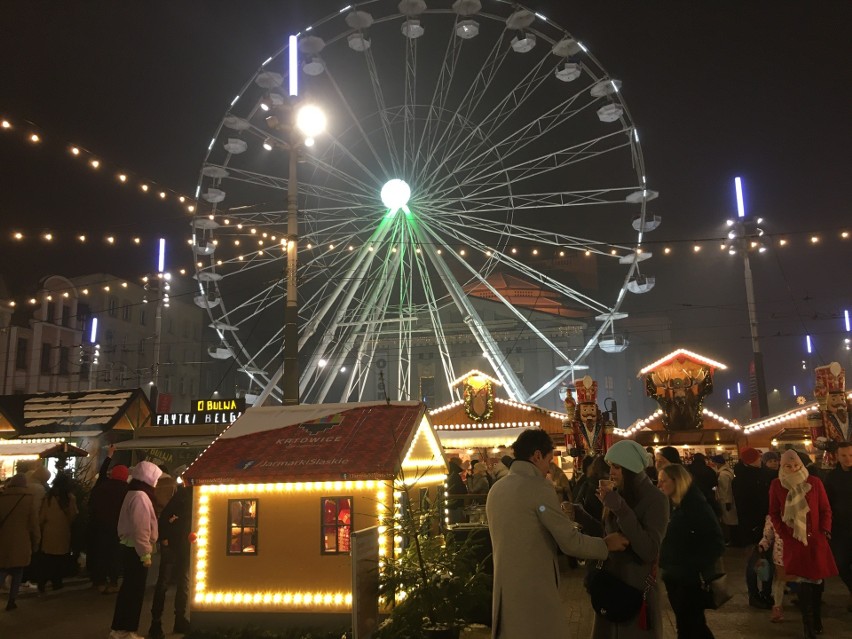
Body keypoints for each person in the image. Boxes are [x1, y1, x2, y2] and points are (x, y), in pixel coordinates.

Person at [486, 429, 628, 639]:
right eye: (548, 460)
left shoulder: (496, 490)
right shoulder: (538, 487)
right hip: (534, 589)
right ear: (536, 456)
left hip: (505, 590)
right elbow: (569, 542)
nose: (548, 469)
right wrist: (606, 544)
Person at [593, 439, 670, 639]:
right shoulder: (619, 493)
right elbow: (609, 536)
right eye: (610, 466)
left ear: (630, 468)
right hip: (612, 585)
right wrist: (579, 514)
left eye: (616, 467)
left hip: (635, 590)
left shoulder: (656, 499)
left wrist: (620, 508)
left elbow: (649, 550)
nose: (611, 472)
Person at [769, 449, 837, 639]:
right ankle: (808, 625)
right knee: (803, 582)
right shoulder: (777, 485)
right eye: (788, 466)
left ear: (801, 464)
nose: (793, 469)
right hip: (794, 541)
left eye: (796, 465)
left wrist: (825, 530)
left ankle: (816, 617)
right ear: (782, 467)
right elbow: (774, 513)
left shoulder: (814, 483)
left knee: (817, 582)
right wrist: (784, 534)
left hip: (815, 540)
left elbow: (825, 509)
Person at [658, 464, 725, 639]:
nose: (660, 485)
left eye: (663, 481)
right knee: (690, 625)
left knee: (691, 627)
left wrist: (691, 566)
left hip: (689, 580)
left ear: (676, 481)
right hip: (676, 576)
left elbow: (716, 542)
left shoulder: (695, 506)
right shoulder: (677, 505)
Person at [109, 461, 162, 639]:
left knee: (127, 590)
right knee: (135, 592)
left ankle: (118, 629)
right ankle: (129, 630)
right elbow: (141, 528)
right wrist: (145, 553)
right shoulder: (141, 497)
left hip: (128, 547)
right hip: (137, 551)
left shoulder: (131, 493)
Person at [148, 485, 192, 639]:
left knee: (173, 583)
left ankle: (159, 622)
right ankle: (162, 621)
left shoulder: (183, 496)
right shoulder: (186, 498)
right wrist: (165, 539)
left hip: (178, 545)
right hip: (177, 546)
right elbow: (166, 519)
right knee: (176, 582)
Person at [733, 446, 773, 607]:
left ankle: (764, 593)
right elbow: (745, 505)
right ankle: (756, 594)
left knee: (765, 560)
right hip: (754, 525)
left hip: (762, 524)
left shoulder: (765, 475)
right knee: (755, 561)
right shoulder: (743, 480)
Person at [89, 446, 129, 594]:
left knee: (101, 554)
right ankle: (113, 582)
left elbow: (102, 472)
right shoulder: (127, 490)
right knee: (115, 555)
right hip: (118, 528)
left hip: (100, 526)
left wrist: (109, 455)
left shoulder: (103, 485)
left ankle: (100, 581)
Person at [0, 474, 40, 611]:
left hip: (3, 539)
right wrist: (36, 541)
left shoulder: (2, 497)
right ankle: (12, 600)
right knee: (17, 572)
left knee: (2, 569)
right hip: (21, 540)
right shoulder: (28, 499)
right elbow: (34, 523)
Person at [38, 472, 78, 592]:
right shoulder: (70, 498)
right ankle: (57, 582)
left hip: (49, 531)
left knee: (48, 558)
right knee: (59, 559)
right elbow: (73, 514)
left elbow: (42, 516)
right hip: (63, 530)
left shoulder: (49, 497)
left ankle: (43, 582)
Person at [825, 441, 852, 612]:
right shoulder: (832, 477)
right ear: (837, 456)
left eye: (850, 455)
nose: (848, 458)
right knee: (841, 564)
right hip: (841, 529)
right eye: (844, 455)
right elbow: (827, 503)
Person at [757, 514, 786, 622]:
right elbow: (768, 535)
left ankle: (777, 609)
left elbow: (767, 535)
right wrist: (762, 545)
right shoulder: (774, 514)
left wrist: (763, 544)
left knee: (780, 582)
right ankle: (777, 608)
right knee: (780, 581)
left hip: (783, 554)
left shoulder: (774, 514)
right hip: (781, 555)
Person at [710, 455, 737, 544]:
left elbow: (726, 489)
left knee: (728, 521)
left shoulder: (723, 475)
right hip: (730, 500)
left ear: (717, 463)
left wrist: (727, 502)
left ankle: (731, 539)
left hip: (726, 501)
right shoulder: (729, 471)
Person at [446, 457, 468, 524]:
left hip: (450, 501)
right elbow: (460, 488)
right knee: (456, 522)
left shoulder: (448, 472)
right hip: (456, 502)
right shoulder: (456, 475)